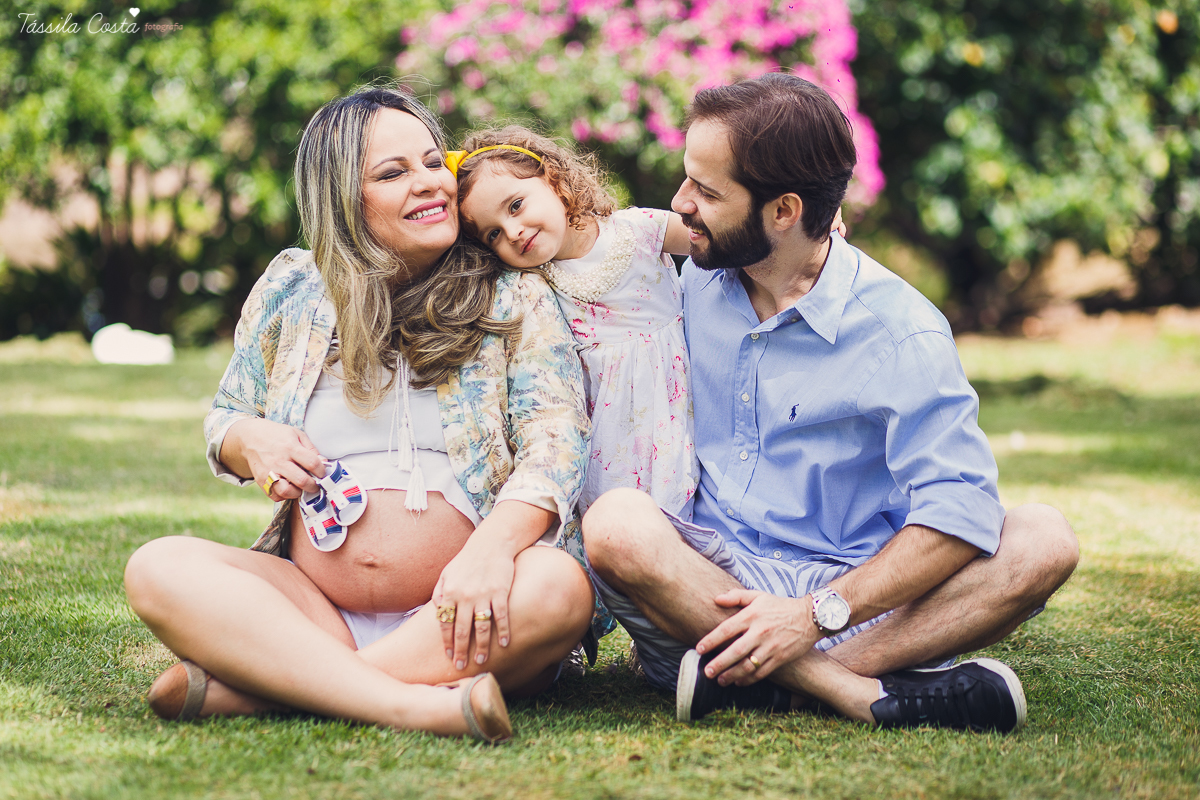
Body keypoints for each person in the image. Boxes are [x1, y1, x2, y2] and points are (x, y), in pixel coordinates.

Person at [581, 73, 1080, 733]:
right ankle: (854, 692)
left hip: (855, 599)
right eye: (687, 181)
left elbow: (959, 510)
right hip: (706, 596)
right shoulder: (695, 276)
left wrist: (812, 617)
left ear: (784, 212)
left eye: (707, 191)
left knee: (1044, 539)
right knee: (615, 523)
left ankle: (765, 682)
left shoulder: (902, 330)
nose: (681, 204)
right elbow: (567, 241)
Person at [122, 84, 596, 742]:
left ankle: (279, 688)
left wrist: (489, 555)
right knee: (157, 566)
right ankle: (411, 703)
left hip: (467, 611)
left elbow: (556, 446)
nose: (429, 182)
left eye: (432, 161)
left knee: (560, 587)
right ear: (342, 196)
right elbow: (227, 417)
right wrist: (250, 439)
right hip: (314, 609)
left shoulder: (512, 293)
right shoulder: (293, 289)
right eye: (393, 173)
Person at [450, 127, 698, 519]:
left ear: (552, 178)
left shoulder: (639, 230)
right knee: (617, 527)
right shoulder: (534, 288)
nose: (512, 232)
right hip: (608, 439)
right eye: (493, 233)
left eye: (515, 206)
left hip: (674, 407)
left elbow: (721, 240)